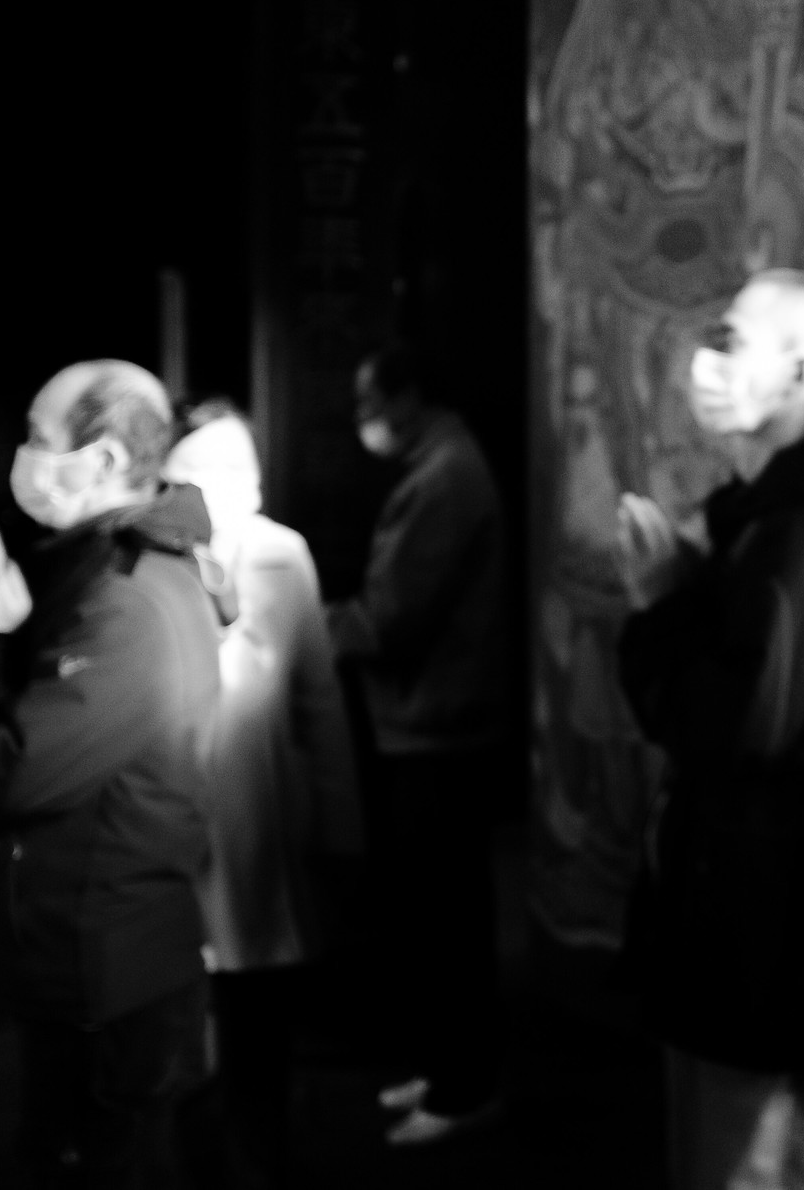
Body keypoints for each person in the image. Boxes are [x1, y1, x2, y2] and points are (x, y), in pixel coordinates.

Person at [618, 270, 804, 1190]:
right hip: (749, 943)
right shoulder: (770, 525)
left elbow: (737, 728)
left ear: (797, 376)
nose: (705, 361)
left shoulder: (803, 541)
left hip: (778, 959)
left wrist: (662, 606)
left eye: (731, 340)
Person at [0, 360, 223, 1188]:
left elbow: (16, 771)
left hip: (109, 970)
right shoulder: (102, 570)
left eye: (38, 436)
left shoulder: (127, 600)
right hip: (87, 961)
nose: (21, 456)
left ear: (102, 461)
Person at [165, 402, 365, 1183]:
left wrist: (340, 825)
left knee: (246, 1017)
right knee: (208, 1017)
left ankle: (255, 1154)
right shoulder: (170, 556)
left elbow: (275, 692)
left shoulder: (271, 553)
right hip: (189, 821)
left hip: (245, 825)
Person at [329, 344, 508, 1148]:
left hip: (438, 724)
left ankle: (465, 1086)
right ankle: (443, 1070)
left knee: (448, 919)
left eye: (370, 399)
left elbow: (390, 616)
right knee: (438, 913)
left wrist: (302, 620)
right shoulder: (443, 463)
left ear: (407, 395)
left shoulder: (444, 477)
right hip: (432, 719)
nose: (362, 418)